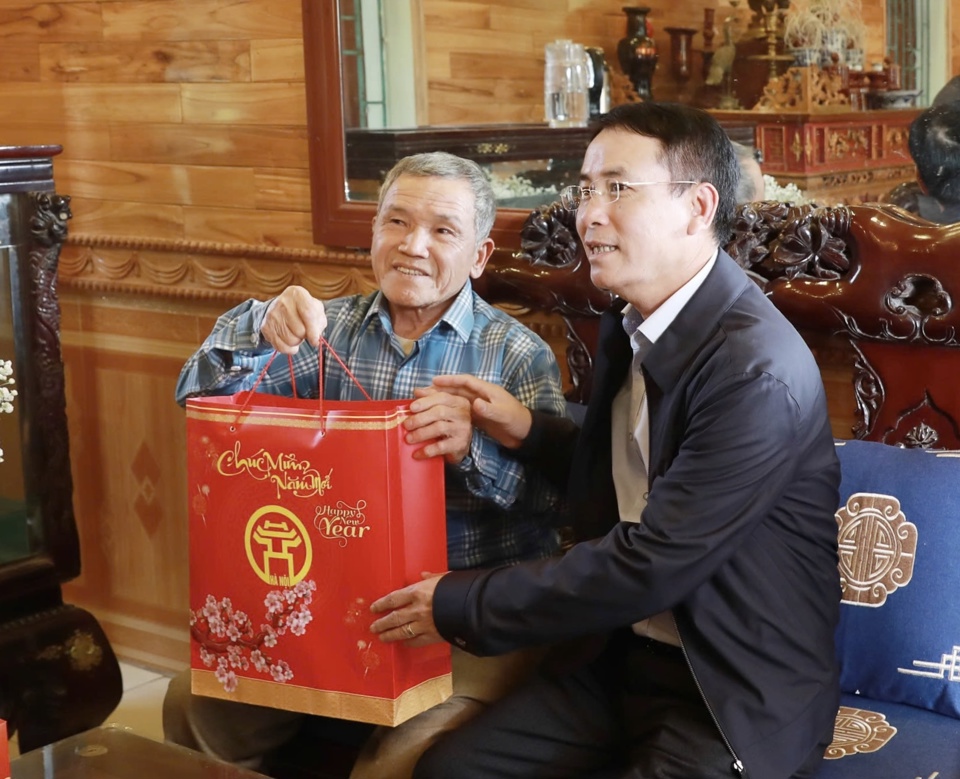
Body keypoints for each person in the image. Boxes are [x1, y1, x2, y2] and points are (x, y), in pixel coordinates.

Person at [369, 103, 842, 779]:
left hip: (731, 690)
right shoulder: (634, 320)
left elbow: (653, 560)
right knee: (450, 770)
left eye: (618, 189)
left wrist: (457, 600)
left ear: (696, 206)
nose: (588, 214)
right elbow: (639, 474)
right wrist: (530, 434)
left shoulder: (754, 371)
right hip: (617, 658)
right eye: (585, 189)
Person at [163, 151, 569, 779]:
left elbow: (555, 508)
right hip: (325, 600)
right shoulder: (328, 332)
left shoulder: (519, 355)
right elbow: (197, 401)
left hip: (461, 609)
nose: (413, 246)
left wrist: (471, 450)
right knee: (194, 704)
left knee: (402, 760)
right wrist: (257, 325)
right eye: (397, 223)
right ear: (374, 232)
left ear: (480, 256)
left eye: (443, 230)